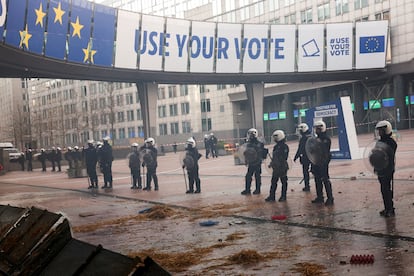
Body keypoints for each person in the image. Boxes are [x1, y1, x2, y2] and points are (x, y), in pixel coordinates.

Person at [375, 120, 397, 217]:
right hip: (381, 169)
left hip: (388, 169)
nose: (379, 132)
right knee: (383, 189)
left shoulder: (391, 142)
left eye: (381, 130)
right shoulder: (380, 142)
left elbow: (388, 155)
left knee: (387, 189)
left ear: (386, 130)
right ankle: (387, 207)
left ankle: (390, 209)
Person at [310, 121, 334, 206]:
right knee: (317, 179)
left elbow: (324, 150)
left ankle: (330, 198)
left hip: (323, 162)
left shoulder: (326, 139)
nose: (317, 130)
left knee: (325, 179)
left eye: (318, 129)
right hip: (316, 161)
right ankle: (320, 197)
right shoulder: (316, 139)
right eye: (316, 129)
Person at [241, 128, 267, 195]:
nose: (251, 136)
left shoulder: (256, 144)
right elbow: (247, 153)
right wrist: (246, 160)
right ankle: (250, 189)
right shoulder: (251, 143)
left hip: (256, 162)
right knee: (252, 176)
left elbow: (258, 152)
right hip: (254, 162)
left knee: (254, 176)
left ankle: (254, 189)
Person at [265, 130, 289, 202]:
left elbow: (285, 157)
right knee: (273, 182)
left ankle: (283, 196)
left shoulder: (284, 146)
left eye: (276, 137)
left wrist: (278, 162)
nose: (275, 139)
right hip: (276, 167)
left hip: (282, 166)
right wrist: (271, 164)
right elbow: (274, 157)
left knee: (283, 181)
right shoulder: (276, 146)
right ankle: (272, 196)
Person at [293, 123, 312, 192]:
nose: (300, 132)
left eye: (300, 130)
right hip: (314, 157)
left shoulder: (304, 138)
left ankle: (307, 186)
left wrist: (296, 157)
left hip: (306, 157)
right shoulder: (312, 136)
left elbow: (300, 149)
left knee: (305, 172)